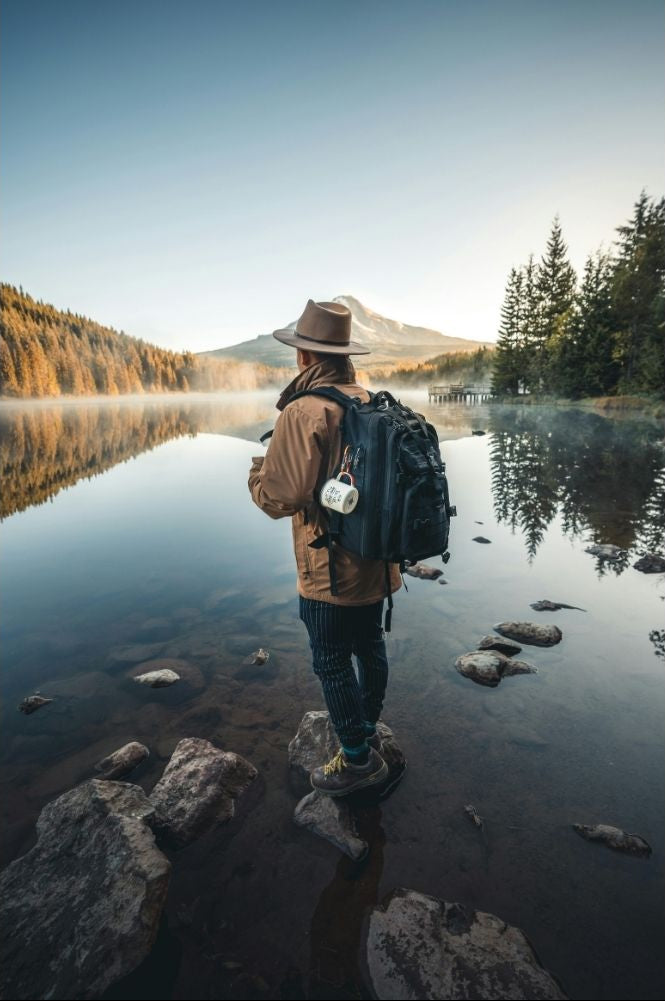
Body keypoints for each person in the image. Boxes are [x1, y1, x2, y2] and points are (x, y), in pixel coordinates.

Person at [247, 298, 402, 796]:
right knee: (370, 646)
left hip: (329, 569)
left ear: (304, 355)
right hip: (379, 561)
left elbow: (281, 498)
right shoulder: (371, 400)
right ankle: (368, 729)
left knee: (331, 661)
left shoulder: (304, 410)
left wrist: (256, 473)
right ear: (345, 355)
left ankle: (357, 760)